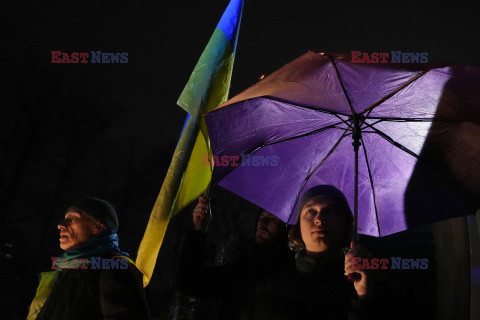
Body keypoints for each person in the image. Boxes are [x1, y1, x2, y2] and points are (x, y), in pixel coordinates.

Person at [240, 185, 404, 320]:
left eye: (331, 211)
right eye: (310, 211)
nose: (319, 219)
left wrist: (364, 297)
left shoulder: (377, 290)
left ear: (347, 226)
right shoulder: (266, 289)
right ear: (298, 228)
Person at [27, 197, 150, 320]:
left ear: (98, 226)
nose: (60, 225)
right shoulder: (62, 273)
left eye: (73, 218)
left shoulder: (115, 267)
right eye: (65, 219)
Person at [177, 195, 293, 320]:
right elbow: (191, 281)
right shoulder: (245, 269)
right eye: (261, 217)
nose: (262, 223)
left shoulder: (290, 276)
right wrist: (199, 228)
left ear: (286, 231)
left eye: (273, 219)